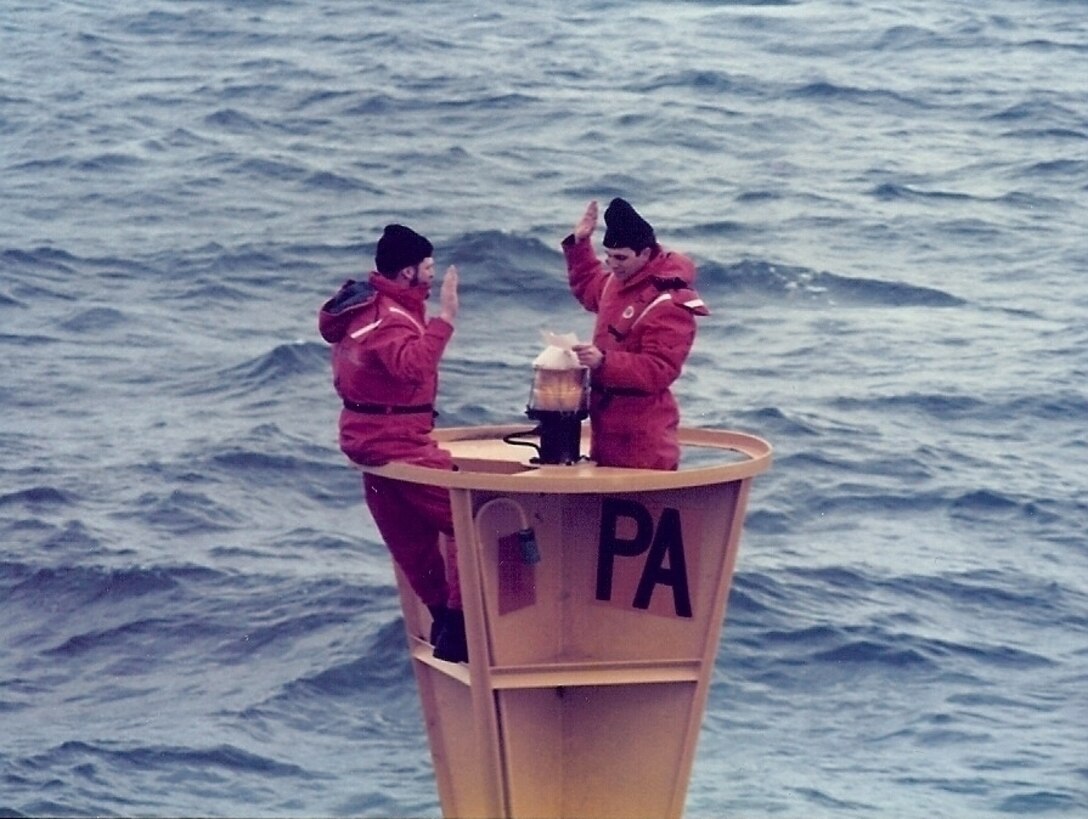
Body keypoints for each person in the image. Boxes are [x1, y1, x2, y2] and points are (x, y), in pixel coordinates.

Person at [318, 224, 467, 662]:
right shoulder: (389, 319)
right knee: (469, 515)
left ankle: (443, 619)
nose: (432, 274)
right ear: (407, 273)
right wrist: (446, 319)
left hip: (368, 439)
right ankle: (457, 626)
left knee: (410, 538)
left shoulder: (369, 307)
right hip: (394, 441)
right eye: (427, 267)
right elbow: (412, 367)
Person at [561, 198, 709, 470]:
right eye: (608, 256)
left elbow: (660, 369)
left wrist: (603, 362)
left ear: (645, 254)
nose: (612, 265)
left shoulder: (669, 303)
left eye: (621, 258)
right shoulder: (614, 284)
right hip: (606, 435)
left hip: (645, 443)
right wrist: (580, 244)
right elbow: (588, 283)